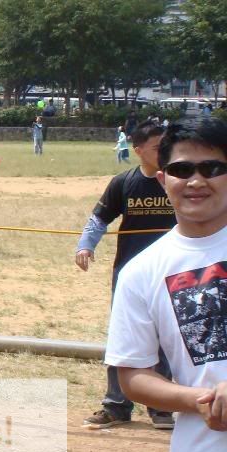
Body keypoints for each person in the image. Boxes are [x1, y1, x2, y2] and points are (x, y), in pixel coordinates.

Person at [105, 118, 227, 452]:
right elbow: (132, 376)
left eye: (212, 168)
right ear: (162, 178)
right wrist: (203, 400)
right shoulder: (142, 272)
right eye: (182, 169)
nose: (196, 180)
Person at [78, 120, 177, 429]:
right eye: (157, 147)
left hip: (172, 273)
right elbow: (99, 219)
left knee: (166, 337)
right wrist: (85, 245)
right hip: (129, 275)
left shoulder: (177, 180)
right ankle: (117, 406)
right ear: (137, 151)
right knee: (124, 337)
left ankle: (161, 406)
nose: (164, 152)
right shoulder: (123, 182)